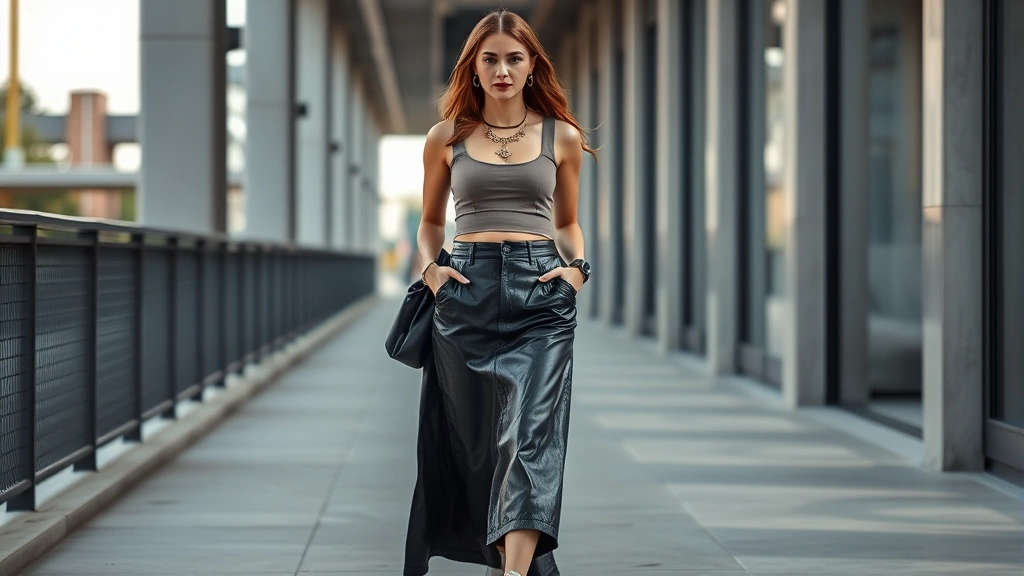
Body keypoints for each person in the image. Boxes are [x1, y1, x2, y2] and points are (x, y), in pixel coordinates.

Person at [409, 8, 595, 576]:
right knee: (479, 452)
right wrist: (431, 271)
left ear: (533, 66)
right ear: (473, 68)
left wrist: (577, 269)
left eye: (515, 58)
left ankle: (512, 574)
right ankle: (509, 564)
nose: (503, 69)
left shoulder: (561, 136)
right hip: (465, 293)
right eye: (489, 59)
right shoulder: (446, 138)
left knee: (529, 437)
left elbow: (566, 224)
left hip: (540, 297)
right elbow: (430, 224)